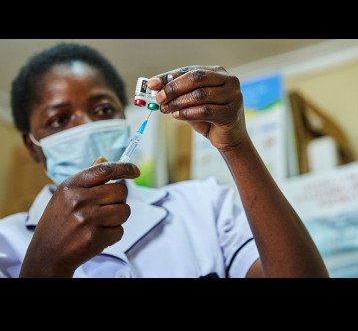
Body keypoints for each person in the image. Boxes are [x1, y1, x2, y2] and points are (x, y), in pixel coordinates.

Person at [0, 42, 329, 278]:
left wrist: (236, 144)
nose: (88, 126)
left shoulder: (204, 206)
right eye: (59, 119)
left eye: (103, 110)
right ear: (33, 147)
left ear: (125, 119)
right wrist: (45, 265)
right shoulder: (7, 243)